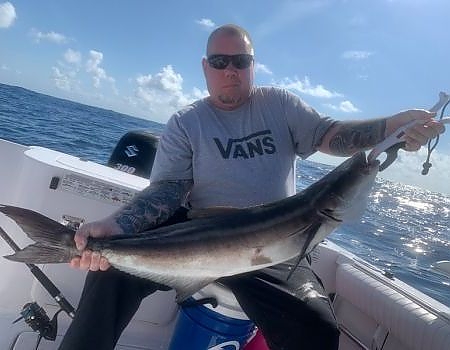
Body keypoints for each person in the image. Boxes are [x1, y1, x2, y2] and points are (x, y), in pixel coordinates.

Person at [59, 24, 444, 350]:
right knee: (107, 274)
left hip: (274, 244)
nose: (230, 70)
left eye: (240, 61)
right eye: (220, 62)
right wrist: (118, 226)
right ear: (205, 67)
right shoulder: (186, 122)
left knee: (317, 329)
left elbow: (332, 136)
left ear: (252, 66)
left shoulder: (278, 105)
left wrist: (389, 127)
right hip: (198, 233)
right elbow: (169, 190)